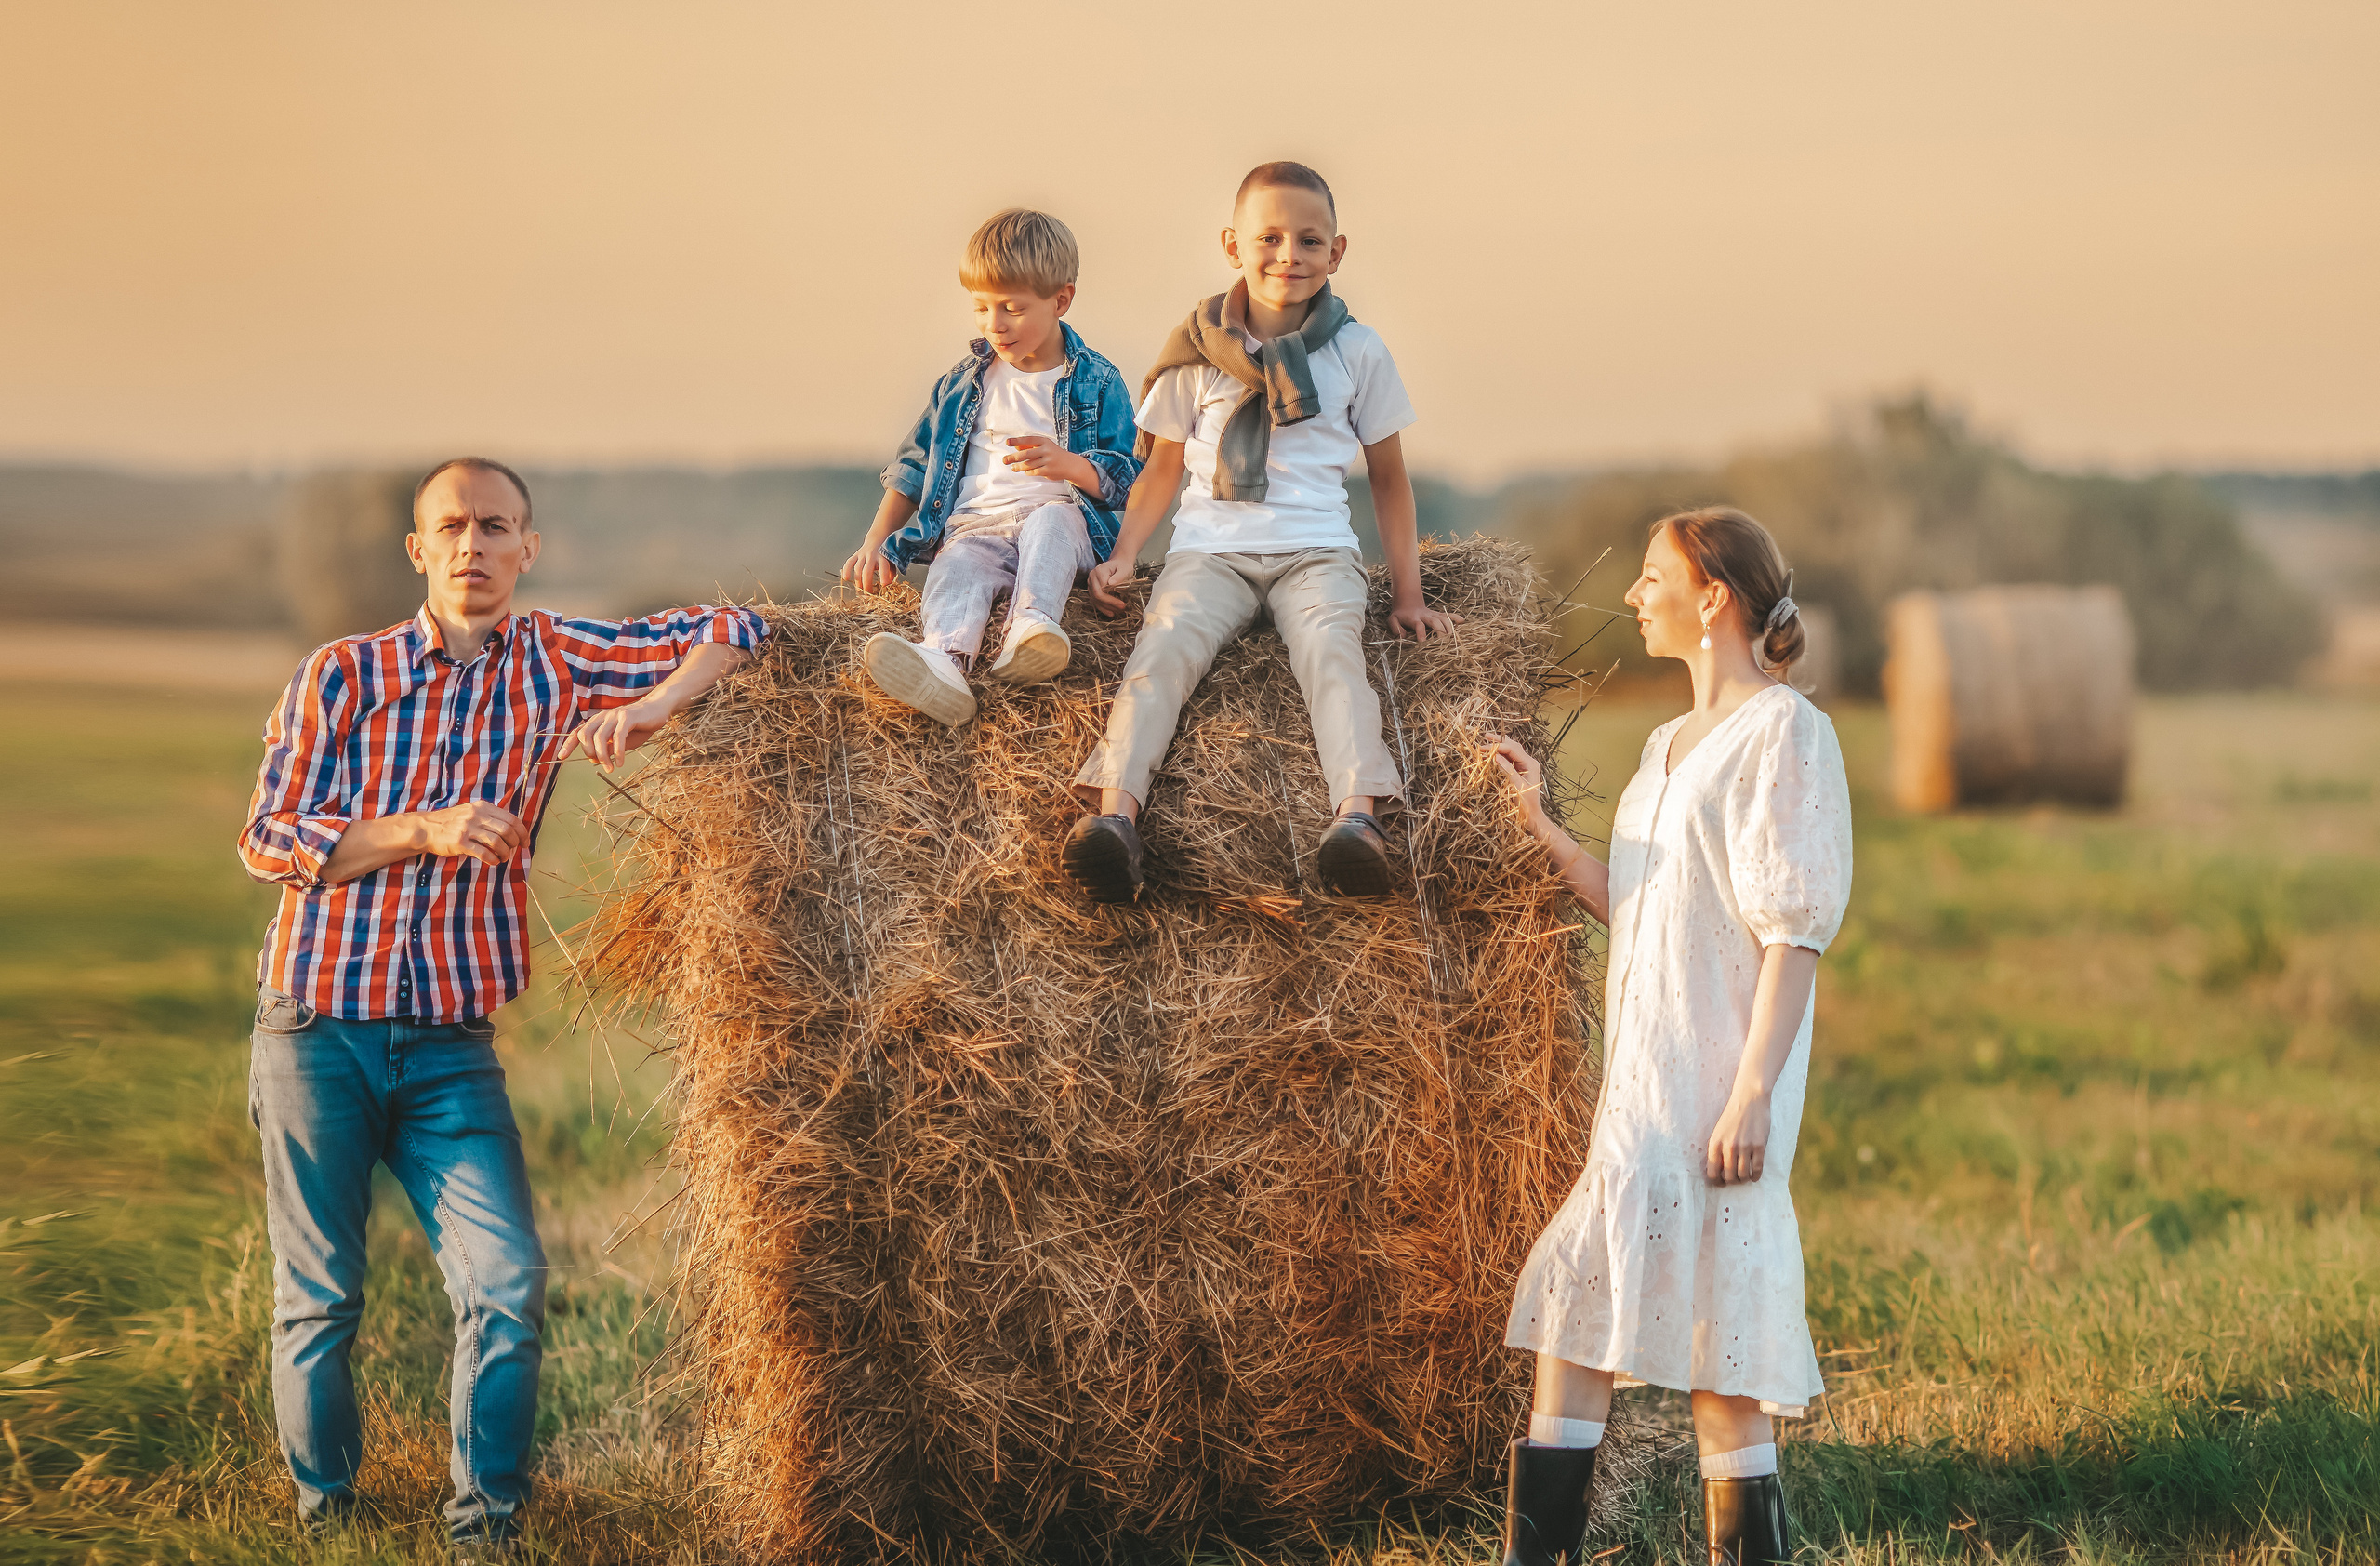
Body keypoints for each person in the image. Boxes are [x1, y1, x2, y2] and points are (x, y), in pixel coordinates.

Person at [236, 458, 766, 1561]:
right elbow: (268, 837)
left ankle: (486, 1527)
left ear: (529, 549)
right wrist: (419, 829)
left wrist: (656, 708)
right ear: (418, 550)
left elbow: (735, 626)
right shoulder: (342, 673)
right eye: (452, 528)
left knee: (509, 1285)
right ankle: (325, 1517)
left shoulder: (559, 658)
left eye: (496, 527)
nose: (473, 546)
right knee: (322, 1298)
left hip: (450, 1051)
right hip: (315, 1030)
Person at [1487, 508, 1852, 1566]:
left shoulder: (1783, 733)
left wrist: (1749, 1096)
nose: (1634, 595)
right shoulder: (1663, 745)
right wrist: (1540, 829)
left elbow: (1792, 931)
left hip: (1712, 1096)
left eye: (1654, 578)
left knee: (1719, 1371)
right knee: (1583, 1321)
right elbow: (1642, 906)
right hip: (1641, 1093)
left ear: (1713, 600)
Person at [1061, 160, 1460, 903]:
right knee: (1162, 649)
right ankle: (1116, 819)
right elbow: (1162, 470)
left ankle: (1357, 821)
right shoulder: (1194, 354)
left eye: (1310, 241)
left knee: (1334, 655)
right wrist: (1123, 556)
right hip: (1210, 551)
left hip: (1316, 551)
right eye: (1269, 237)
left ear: (1336, 253)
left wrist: (1408, 593)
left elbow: (1389, 480)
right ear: (1232, 244)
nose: (1289, 255)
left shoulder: (1358, 352)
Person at [840, 207, 1141, 725]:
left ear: (1061, 300)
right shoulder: (962, 383)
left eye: (1013, 308)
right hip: (976, 525)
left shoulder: (1096, 380)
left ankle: (1033, 628)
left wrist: (1069, 465)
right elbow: (914, 465)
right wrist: (876, 539)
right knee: (957, 565)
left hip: (1061, 520)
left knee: (1050, 523)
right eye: (981, 308)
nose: (995, 324)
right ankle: (946, 663)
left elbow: (1125, 478)